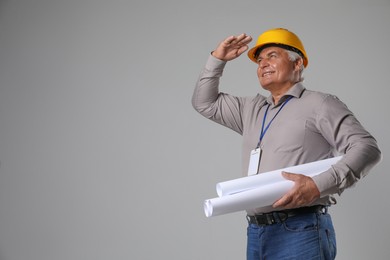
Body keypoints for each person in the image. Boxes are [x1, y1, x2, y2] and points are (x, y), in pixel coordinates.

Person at [192, 28, 381, 260]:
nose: (262, 64)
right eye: (259, 61)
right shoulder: (250, 109)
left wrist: (318, 185)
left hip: (301, 230)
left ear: (297, 63)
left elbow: (366, 147)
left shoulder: (320, 104)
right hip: (256, 232)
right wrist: (217, 59)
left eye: (272, 55)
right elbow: (204, 102)